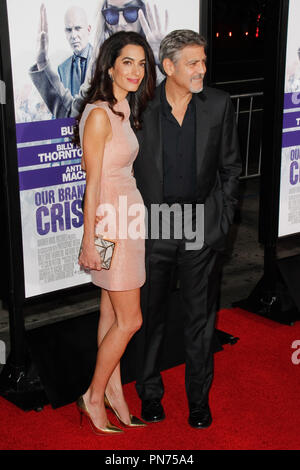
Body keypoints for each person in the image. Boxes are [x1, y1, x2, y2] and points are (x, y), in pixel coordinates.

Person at [133, 30, 242, 428]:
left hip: (200, 226)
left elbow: (231, 168)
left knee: (200, 321)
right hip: (155, 226)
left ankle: (198, 399)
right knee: (149, 317)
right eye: (193, 63)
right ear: (169, 68)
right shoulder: (139, 106)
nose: (202, 70)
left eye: (203, 61)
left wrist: (223, 220)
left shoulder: (218, 104)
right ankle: (149, 393)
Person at [75, 31, 156, 434]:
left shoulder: (123, 107)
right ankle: (92, 396)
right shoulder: (100, 115)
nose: (136, 71)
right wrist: (89, 239)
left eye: (142, 64)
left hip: (129, 219)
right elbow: (92, 184)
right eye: (128, 62)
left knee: (111, 313)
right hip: (112, 225)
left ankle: (115, 393)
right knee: (131, 320)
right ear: (109, 66)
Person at [29, 0, 167, 118]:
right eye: (112, 14)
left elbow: (175, 113)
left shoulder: (162, 62)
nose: (121, 22)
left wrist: (161, 63)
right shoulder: (99, 63)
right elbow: (75, 115)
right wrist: (42, 65)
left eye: (130, 12)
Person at [58, 6, 93, 97]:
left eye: (78, 28)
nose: (73, 35)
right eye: (69, 30)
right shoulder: (62, 69)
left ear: (88, 30)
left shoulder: (103, 60)